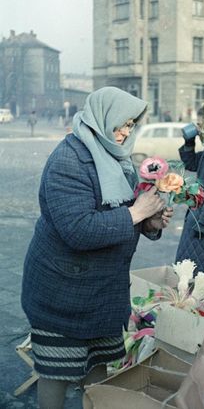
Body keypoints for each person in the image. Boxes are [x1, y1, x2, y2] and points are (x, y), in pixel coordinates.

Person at [21, 87, 174, 409]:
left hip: (103, 293)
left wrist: (150, 223)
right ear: (100, 117)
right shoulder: (69, 159)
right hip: (62, 293)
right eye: (120, 123)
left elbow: (124, 212)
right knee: (57, 373)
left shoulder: (119, 160)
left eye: (131, 125)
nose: (124, 132)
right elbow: (77, 230)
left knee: (99, 371)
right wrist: (137, 212)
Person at [175, 102, 204, 292]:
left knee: (199, 279)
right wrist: (189, 143)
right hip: (200, 219)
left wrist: (202, 224)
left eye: (201, 122)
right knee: (193, 276)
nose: (198, 127)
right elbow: (192, 163)